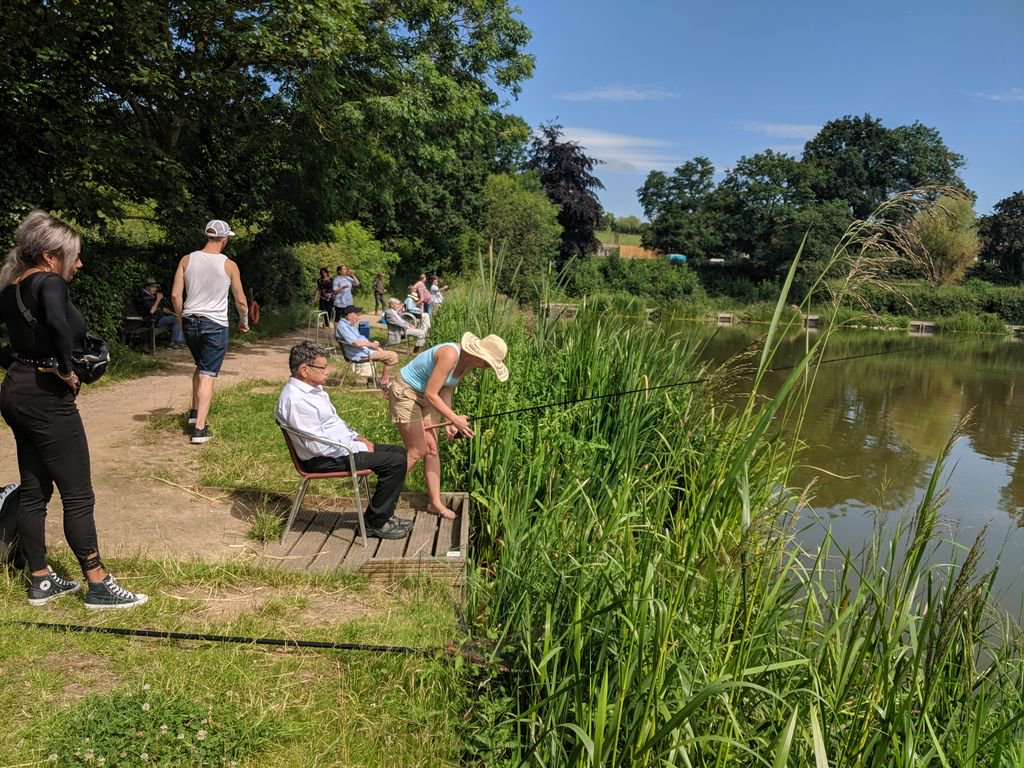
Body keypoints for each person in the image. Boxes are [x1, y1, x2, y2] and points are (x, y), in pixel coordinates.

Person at [0, 210, 147, 609]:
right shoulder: (48, 282)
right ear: (50, 256)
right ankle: (98, 583)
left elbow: (21, 338)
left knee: (34, 489)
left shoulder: (10, 286)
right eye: (73, 256)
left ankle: (40, 579)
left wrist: (18, 365)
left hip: (16, 389)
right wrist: (65, 370)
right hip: (47, 396)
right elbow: (59, 326)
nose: (78, 264)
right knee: (78, 494)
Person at [277, 342, 411, 539]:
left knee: (399, 453)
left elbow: (333, 423)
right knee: (395, 463)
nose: (327, 371)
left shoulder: (313, 390)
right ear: (304, 370)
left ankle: (382, 515)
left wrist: (358, 437)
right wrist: (358, 447)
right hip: (323, 459)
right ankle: (375, 523)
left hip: (338, 449)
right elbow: (317, 446)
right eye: (322, 367)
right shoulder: (297, 401)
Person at [388, 333, 509, 519]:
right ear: (479, 354)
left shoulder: (469, 363)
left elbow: (446, 387)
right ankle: (383, 499)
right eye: (488, 362)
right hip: (406, 391)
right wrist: (454, 418)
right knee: (416, 450)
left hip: (428, 394)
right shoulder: (450, 355)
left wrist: (449, 421)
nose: (487, 367)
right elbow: (431, 393)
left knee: (432, 449)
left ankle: (435, 503)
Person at [171, 219, 249, 445]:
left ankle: (195, 412)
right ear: (224, 239)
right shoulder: (229, 265)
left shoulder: (187, 260)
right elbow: (241, 301)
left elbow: (176, 295)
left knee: (201, 366)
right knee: (207, 374)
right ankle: (200, 429)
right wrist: (244, 321)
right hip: (214, 324)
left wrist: (180, 317)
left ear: (207, 236)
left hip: (190, 321)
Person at [335, 305, 399, 388]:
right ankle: (383, 382)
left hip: (364, 352)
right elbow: (356, 343)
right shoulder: (343, 327)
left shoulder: (350, 326)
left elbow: (362, 341)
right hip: (358, 355)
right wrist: (371, 345)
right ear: (349, 315)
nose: (358, 318)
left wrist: (375, 346)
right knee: (392, 356)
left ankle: (381, 381)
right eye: (357, 315)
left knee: (389, 355)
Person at [137, 276, 186, 349]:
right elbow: (152, 311)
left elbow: (162, 309)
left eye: (156, 287)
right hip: (152, 321)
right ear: (147, 287)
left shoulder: (150, 296)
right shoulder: (144, 297)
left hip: (159, 318)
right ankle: (175, 342)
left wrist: (175, 314)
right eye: (153, 287)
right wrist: (158, 299)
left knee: (178, 318)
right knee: (176, 320)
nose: (155, 289)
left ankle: (180, 342)